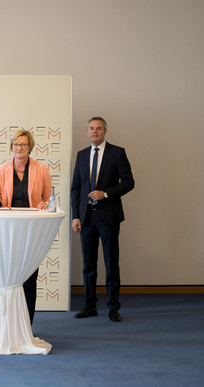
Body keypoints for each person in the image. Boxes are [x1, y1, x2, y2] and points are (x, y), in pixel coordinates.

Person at [71, 116, 135, 322]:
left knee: (111, 263)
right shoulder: (81, 155)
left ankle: (113, 308)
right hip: (86, 218)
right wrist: (76, 216)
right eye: (91, 128)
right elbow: (76, 189)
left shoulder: (117, 153)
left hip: (108, 217)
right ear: (87, 131)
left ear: (105, 131)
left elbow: (128, 182)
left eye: (99, 129)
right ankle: (89, 306)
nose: (95, 132)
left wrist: (105, 194)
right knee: (88, 265)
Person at [0, 129, 51, 325]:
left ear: (30, 147)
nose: (19, 148)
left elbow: (48, 198)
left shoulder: (41, 169)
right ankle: (7, 325)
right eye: (16, 144)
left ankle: (26, 326)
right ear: (11, 147)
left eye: (23, 144)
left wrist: (44, 204)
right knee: (9, 279)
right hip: (8, 231)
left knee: (30, 280)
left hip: (32, 231)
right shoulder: (0, 170)